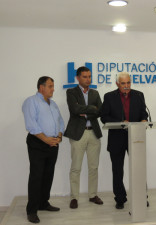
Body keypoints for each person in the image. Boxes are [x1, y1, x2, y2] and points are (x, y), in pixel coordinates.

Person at [101, 72, 148, 209]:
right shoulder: (109, 97)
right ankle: (120, 198)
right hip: (116, 138)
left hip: (135, 137)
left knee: (139, 169)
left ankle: (141, 197)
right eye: (123, 83)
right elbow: (104, 117)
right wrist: (121, 122)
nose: (127, 86)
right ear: (117, 84)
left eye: (128, 83)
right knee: (117, 170)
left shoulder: (139, 95)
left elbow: (143, 113)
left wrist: (144, 120)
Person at [22, 76, 65, 223]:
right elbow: (31, 124)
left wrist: (59, 136)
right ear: (41, 88)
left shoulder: (53, 104)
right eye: (50, 86)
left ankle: (43, 203)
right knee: (36, 176)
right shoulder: (31, 102)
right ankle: (32, 210)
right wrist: (46, 139)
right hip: (38, 143)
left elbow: (60, 121)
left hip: (53, 143)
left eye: (53, 86)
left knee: (48, 175)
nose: (53, 89)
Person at [64, 66, 103, 209]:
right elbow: (74, 109)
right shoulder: (71, 92)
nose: (88, 79)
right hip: (77, 133)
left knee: (94, 167)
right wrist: (91, 109)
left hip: (93, 133)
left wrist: (86, 111)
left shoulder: (95, 93)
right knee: (76, 167)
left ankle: (93, 195)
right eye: (85, 77)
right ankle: (74, 197)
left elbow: (100, 111)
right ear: (78, 78)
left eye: (89, 76)